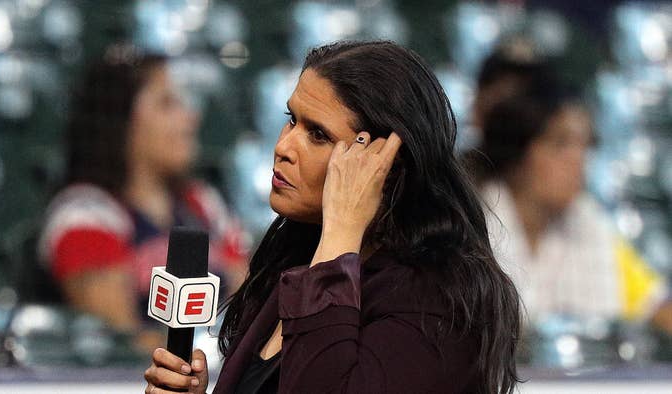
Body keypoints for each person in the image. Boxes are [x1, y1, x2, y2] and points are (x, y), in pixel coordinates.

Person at [144, 40, 521, 394]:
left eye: (318, 135)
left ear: (384, 165)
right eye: (292, 119)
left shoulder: (438, 300)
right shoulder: (298, 257)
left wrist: (343, 231)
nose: (283, 147)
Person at [38, 44, 250, 349]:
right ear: (121, 120)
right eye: (167, 104)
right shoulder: (83, 214)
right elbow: (123, 340)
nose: (190, 119)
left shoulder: (203, 204)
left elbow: (249, 303)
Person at [471, 85, 672, 329]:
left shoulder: (590, 224)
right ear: (519, 152)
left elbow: (657, 307)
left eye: (584, 145)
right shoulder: (469, 225)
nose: (578, 159)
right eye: (561, 143)